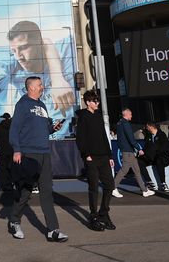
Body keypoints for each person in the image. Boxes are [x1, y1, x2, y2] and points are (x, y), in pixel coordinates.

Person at [7, 76, 67, 243]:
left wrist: (52, 128)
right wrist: (17, 150)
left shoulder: (42, 105)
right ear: (31, 87)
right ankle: (14, 220)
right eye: (40, 85)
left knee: (47, 191)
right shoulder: (23, 104)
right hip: (29, 154)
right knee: (25, 191)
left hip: (44, 153)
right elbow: (15, 129)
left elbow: (45, 129)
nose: (43, 87)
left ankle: (53, 230)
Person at [7, 21, 77, 124]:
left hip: (66, 134)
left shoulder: (65, 52)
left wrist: (58, 79)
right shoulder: (14, 70)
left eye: (23, 47)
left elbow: (46, 42)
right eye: (14, 51)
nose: (18, 56)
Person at [74, 90, 115, 232]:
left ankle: (104, 213)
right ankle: (93, 216)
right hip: (91, 157)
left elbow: (104, 136)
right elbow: (80, 138)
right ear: (87, 102)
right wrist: (86, 154)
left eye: (97, 100)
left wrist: (110, 156)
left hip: (104, 156)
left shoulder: (98, 115)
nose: (97, 103)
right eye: (94, 101)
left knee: (110, 185)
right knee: (93, 187)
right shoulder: (83, 116)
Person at [111, 108, 153, 197]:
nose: (131, 116)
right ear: (126, 115)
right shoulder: (126, 124)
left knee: (137, 171)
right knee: (124, 170)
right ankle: (113, 188)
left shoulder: (119, 123)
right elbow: (131, 138)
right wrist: (139, 149)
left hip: (126, 150)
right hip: (128, 151)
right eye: (130, 114)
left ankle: (144, 190)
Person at [141, 122, 169, 192]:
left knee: (159, 161)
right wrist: (142, 153)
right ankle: (149, 182)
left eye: (147, 127)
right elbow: (146, 147)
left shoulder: (162, 135)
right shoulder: (148, 136)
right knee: (139, 161)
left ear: (151, 127)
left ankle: (163, 183)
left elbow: (164, 148)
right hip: (151, 157)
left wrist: (153, 152)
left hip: (163, 157)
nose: (146, 128)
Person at [0, 112, 14, 191]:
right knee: (12, 167)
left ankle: (5, 186)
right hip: (12, 150)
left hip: (3, 150)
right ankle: (12, 184)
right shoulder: (13, 127)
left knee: (3, 169)